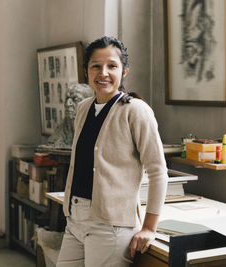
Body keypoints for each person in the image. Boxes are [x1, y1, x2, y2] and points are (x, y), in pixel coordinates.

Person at [56, 36, 168, 267]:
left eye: (112, 66)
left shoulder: (135, 111)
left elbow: (158, 171)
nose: (103, 73)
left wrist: (149, 227)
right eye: (96, 66)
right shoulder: (83, 108)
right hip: (75, 219)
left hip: (111, 226)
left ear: (124, 71)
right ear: (86, 71)